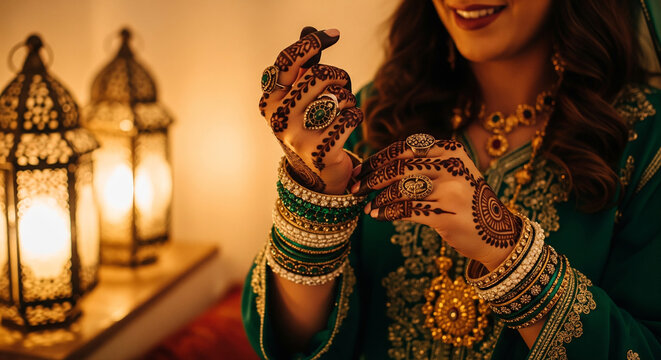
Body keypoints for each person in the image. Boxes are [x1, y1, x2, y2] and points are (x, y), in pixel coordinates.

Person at [243, 0, 661, 358]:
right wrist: (315, 190)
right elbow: (291, 342)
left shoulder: (646, 143)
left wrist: (510, 254)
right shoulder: (369, 115)